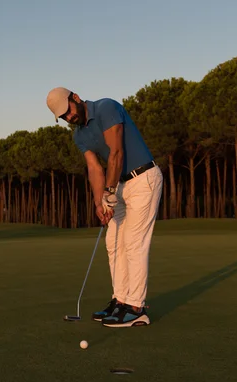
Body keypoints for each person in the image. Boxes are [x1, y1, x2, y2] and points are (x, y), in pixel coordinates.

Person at [46, 87, 163, 328]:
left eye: (68, 111)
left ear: (75, 98)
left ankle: (136, 308)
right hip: (118, 185)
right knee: (114, 242)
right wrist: (99, 201)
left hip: (143, 179)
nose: (69, 118)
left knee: (133, 241)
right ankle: (120, 301)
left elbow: (116, 153)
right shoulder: (78, 135)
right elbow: (94, 168)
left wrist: (109, 192)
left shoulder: (106, 108)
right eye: (63, 117)